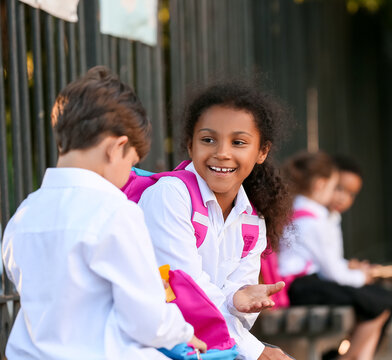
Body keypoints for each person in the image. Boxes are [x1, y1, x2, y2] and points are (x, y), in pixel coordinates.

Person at [1, 66, 206, 360]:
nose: (127, 177)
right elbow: (146, 318)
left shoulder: (23, 216)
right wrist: (184, 332)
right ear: (116, 148)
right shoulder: (115, 212)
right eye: (131, 163)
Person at [138, 82, 293, 360]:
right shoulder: (169, 196)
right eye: (208, 139)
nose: (222, 152)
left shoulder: (252, 220)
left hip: (207, 348)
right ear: (190, 144)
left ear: (262, 151)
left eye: (239, 142)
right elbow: (184, 291)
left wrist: (236, 298)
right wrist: (257, 352)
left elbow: (234, 313)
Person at [278, 151, 392, 360]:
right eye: (335, 187)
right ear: (319, 185)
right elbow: (333, 273)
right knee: (379, 303)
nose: (339, 196)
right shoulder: (312, 222)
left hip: (307, 284)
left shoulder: (307, 214)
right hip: (303, 287)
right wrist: (362, 277)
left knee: (382, 301)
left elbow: (328, 264)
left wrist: (354, 271)